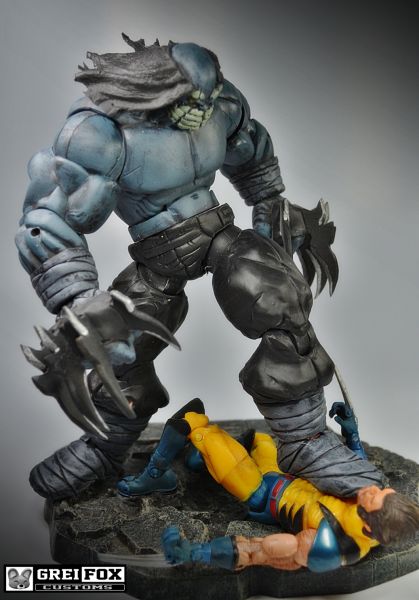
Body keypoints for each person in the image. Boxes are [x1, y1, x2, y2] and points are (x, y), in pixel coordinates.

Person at [16, 35, 382, 501]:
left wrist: (270, 206)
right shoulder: (100, 133)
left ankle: (306, 440)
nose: (202, 109)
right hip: (158, 255)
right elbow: (46, 219)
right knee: (120, 346)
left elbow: (251, 152)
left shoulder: (220, 106)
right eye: (192, 101)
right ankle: (102, 447)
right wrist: (79, 298)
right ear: (159, 93)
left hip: (218, 235)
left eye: (208, 97)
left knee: (277, 299)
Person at [117, 399, 419, 572]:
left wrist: (196, 552)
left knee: (194, 424)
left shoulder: (331, 543)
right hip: (284, 473)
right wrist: (352, 434)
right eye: (383, 490)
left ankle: (155, 475)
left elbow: (258, 551)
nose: (374, 489)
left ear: (369, 524)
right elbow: (356, 470)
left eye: (375, 497)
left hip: (261, 492)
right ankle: (201, 461)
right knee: (260, 438)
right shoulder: (371, 512)